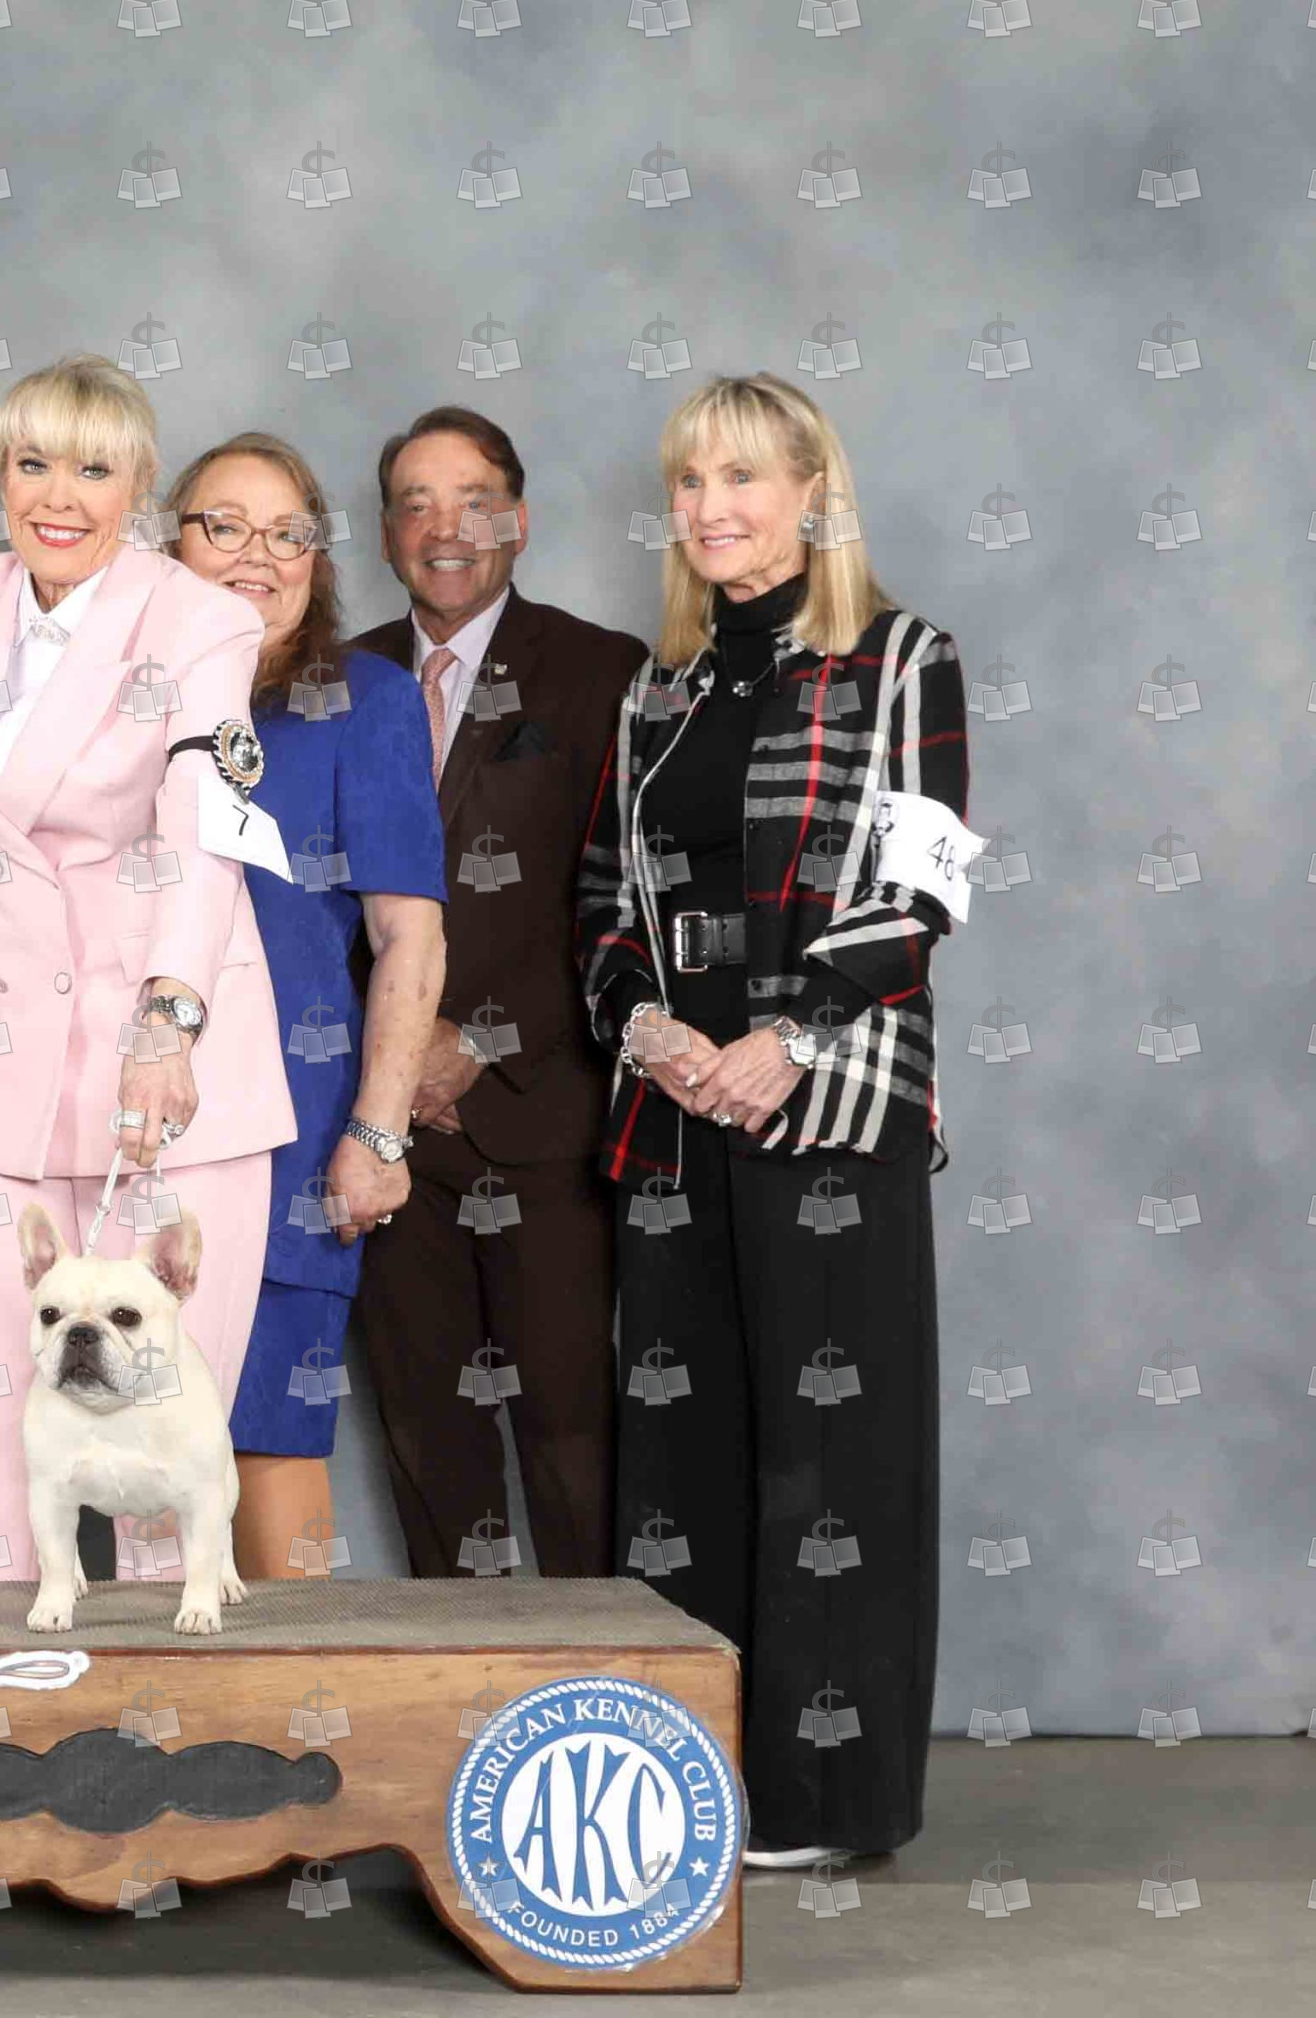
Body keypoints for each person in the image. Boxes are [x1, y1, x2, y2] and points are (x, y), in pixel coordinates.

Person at [575, 371, 969, 1865]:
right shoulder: (657, 689)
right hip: (673, 1117)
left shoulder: (903, 658)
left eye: (741, 477)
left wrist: (787, 1035)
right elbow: (604, 902)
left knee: (830, 1464)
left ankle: (826, 1801)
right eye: (689, 481)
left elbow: (922, 891)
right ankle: (684, 1785)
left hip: (832, 1114)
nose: (710, 507)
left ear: (814, 492)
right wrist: (650, 1027)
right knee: (679, 1464)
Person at [0, 356, 293, 1586]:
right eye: (33, 463)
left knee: (159, 1432)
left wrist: (168, 1023)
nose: (60, 496)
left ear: (139, 485)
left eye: (93, 468)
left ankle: (160, 1693)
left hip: (170, 1070)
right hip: (4, 1065)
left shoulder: (201, 618)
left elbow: (202, 824)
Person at [344, 407, 645, 1582]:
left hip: (541, 1122)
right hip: (382, 1133)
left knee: (573, 1446)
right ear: (385, 532)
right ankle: (462, 1682)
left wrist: (480, 1037)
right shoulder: (336, 679)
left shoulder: (604, 671)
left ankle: (598, 1678)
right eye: (416, 504)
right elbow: (302, 903)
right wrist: (391, 1054)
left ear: (518, 520)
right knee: (428, 1444)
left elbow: (623, 901)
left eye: (474, 500)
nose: (446, 528)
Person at [163, 433, 445, 1578]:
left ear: (318, 561)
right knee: (134, 1455)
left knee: (270, 1438)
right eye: (223, 526)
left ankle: (302, 1687)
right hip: (130, 1130)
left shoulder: (364, 702)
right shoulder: (118, 698)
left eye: (288, 533)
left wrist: (378, 1130)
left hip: (291, 1134)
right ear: (168, 544)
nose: (258, 555)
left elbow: (408, 935)